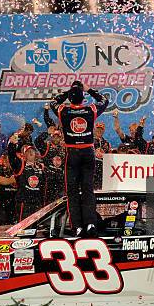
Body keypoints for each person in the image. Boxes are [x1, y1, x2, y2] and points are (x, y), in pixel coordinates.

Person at [50, 81, 109, 237]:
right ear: (83, 97)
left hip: (72, 154)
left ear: (70, 98)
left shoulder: (63, 110)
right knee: (88, 189)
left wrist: (68, 92)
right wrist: (89, 89)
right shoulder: (90, 110)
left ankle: (77, 226)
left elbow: (53, 102)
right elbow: (104, 100)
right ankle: (90, 224)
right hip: (88, 152)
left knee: (73, 192)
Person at [8, 139, 45, 221]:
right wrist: (12, 144)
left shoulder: (40, 167)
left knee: (35, 226)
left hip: (36, 202)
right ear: (24, 155)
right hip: (24, 202)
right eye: (28, 151)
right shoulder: (20, 166)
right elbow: (11, 156)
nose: (31, 153)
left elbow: (43, 185)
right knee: (22, 227)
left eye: (32, 151)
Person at [0, 152, 18, 225]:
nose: (6, 160)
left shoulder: (17, 168)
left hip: (15, 201)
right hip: (1, 201)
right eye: (5, 158)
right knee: (2, 223)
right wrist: (13, 179)